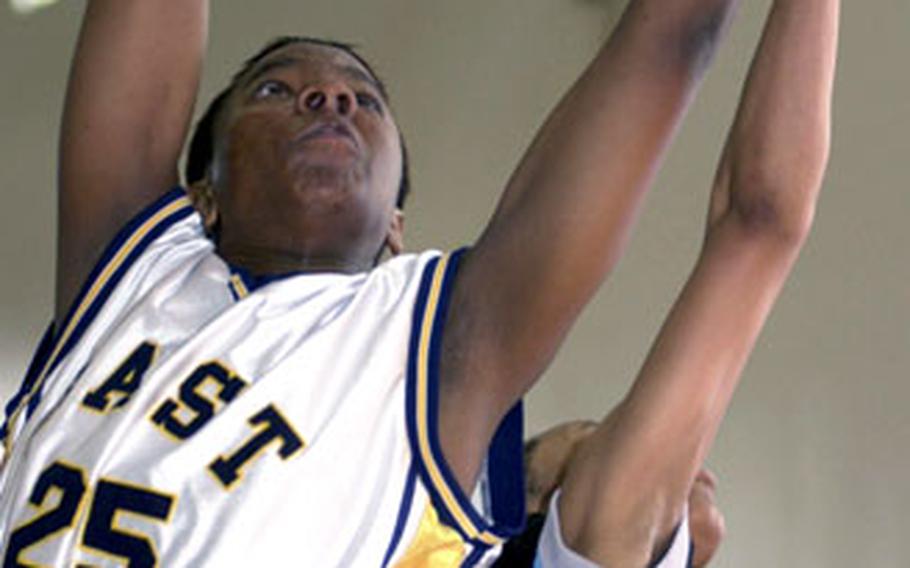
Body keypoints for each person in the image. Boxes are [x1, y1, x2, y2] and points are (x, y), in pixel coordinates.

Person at [0, 0, 743, 565]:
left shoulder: (436, 344)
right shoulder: (137, 272)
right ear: (205, 195)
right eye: (274, 90)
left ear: (396, 222)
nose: (330, 98)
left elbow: (667, 42)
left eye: (365, 98)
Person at [505, 0, 840, 566]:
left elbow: (757, 221)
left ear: (548, 516)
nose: (685, 464)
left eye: (601, 447)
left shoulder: (585, 540)